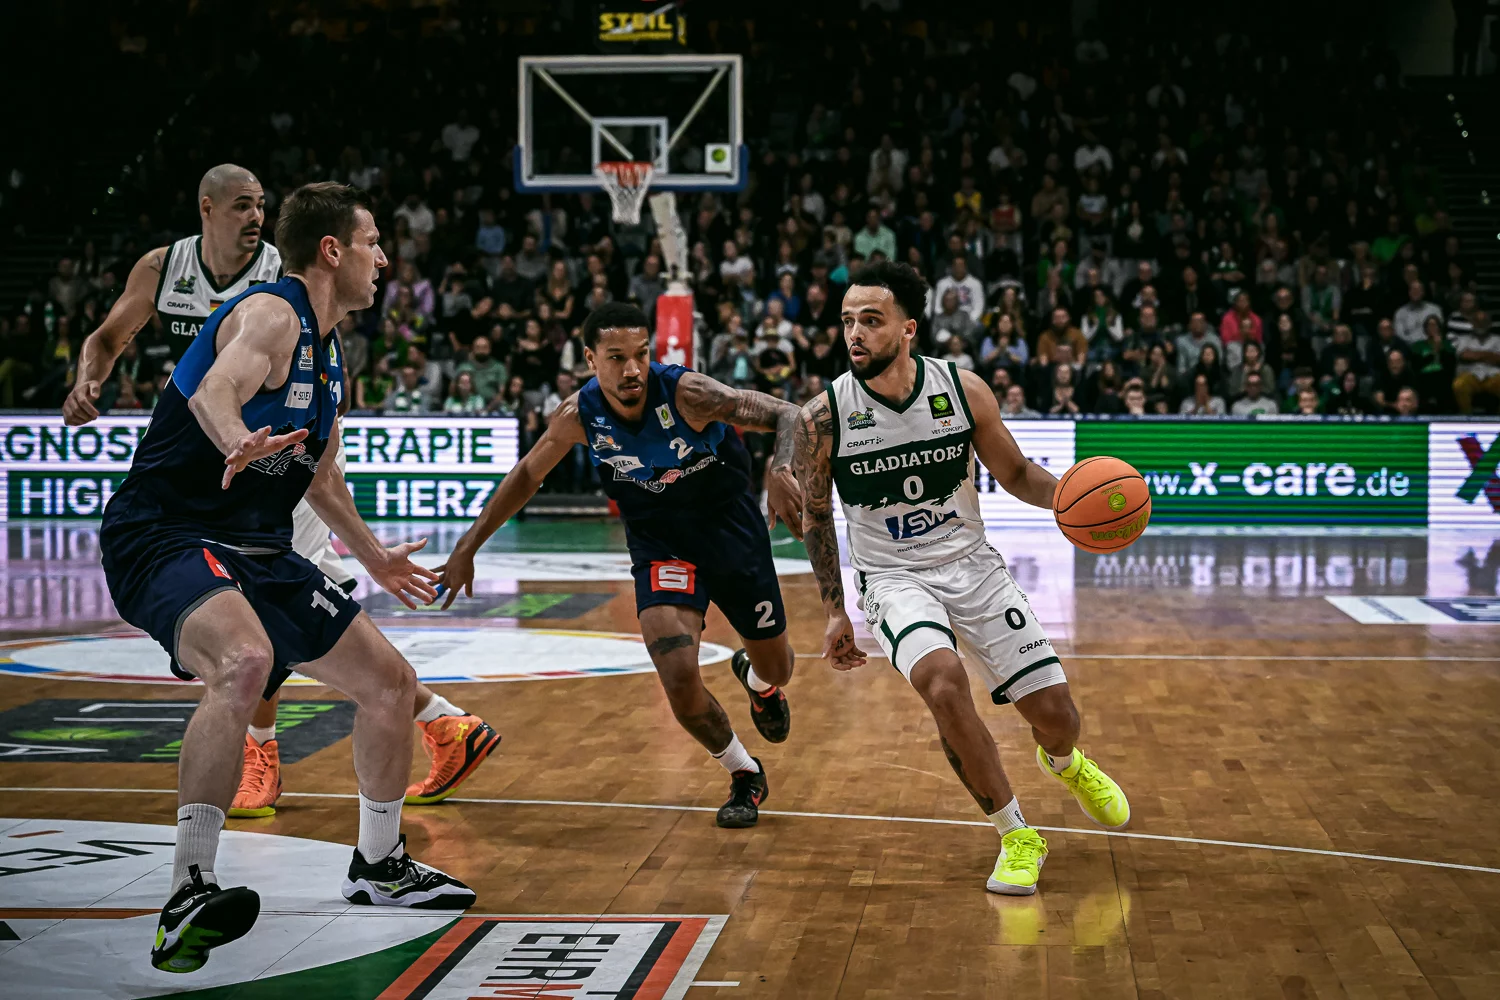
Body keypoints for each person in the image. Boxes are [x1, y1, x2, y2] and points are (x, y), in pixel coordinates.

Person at [98, 183, 474, 976]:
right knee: (245, 661)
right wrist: (236, 438)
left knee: (390, 685)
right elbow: (215, 389)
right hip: (166, 531)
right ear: (333, 250)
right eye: (373, 242)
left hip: (258, 547)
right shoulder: (272, 314)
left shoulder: (333, 355)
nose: (384, 258)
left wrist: (373, 556)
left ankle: (379, 866)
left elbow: (321, 476)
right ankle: (188, 890)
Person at [794, 260, 1127, 897]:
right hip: (893, 577)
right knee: (943, 684)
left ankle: (1064, 761)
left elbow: (1017, 473)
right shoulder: (824, 417)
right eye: (847, 321)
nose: (855, 333)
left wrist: (1071, 500)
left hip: (973, 567)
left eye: (871, 320)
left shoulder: (961, 389)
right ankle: (1016, 834)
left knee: (1057, 716)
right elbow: (814, 515)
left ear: (908, 329)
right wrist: (835, 609)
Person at [438, 301, 805, 829]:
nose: (632, 369)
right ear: (590, 359)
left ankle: (758, 680)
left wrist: (782, 467)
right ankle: (744, 772)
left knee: (778, 667)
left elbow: (787, 413)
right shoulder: (577, 416)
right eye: (616, 357)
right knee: (677, 675)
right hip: (659, 541)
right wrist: (468, 545)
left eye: (641, 354)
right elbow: (527, 474)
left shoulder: (690, 393)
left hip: (729, 529)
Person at [231, 361, 499, 818]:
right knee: (308, 625)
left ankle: (260, 752)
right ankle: (446, 723)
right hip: (281, 458)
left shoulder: (294, 335)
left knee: (263, 614)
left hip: (290, 459)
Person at [63, 165, 283, 424]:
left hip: (265, 419)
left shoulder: (282, 269)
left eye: (260, 206)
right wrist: (85, 382)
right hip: (193, 414)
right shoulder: (161, 268)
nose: (256, 216)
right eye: (242, 206)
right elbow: (106, 340)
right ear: (207, 209)